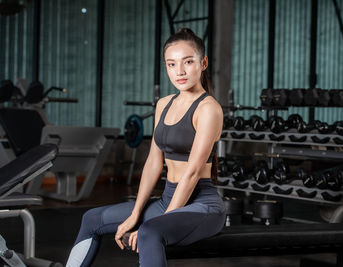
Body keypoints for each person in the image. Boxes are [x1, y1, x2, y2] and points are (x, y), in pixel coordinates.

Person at [66, 28, 226, 267]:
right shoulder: (164, 104)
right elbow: (153, 161)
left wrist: (161, 220)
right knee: (92, 219)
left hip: (202, 206)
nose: (179, 71)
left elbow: (192, 173)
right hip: (166, 199)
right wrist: (135, 214)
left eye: (188, 62)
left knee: (150, 232)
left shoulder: (208, 109)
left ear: (203, 63)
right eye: (171, 64)